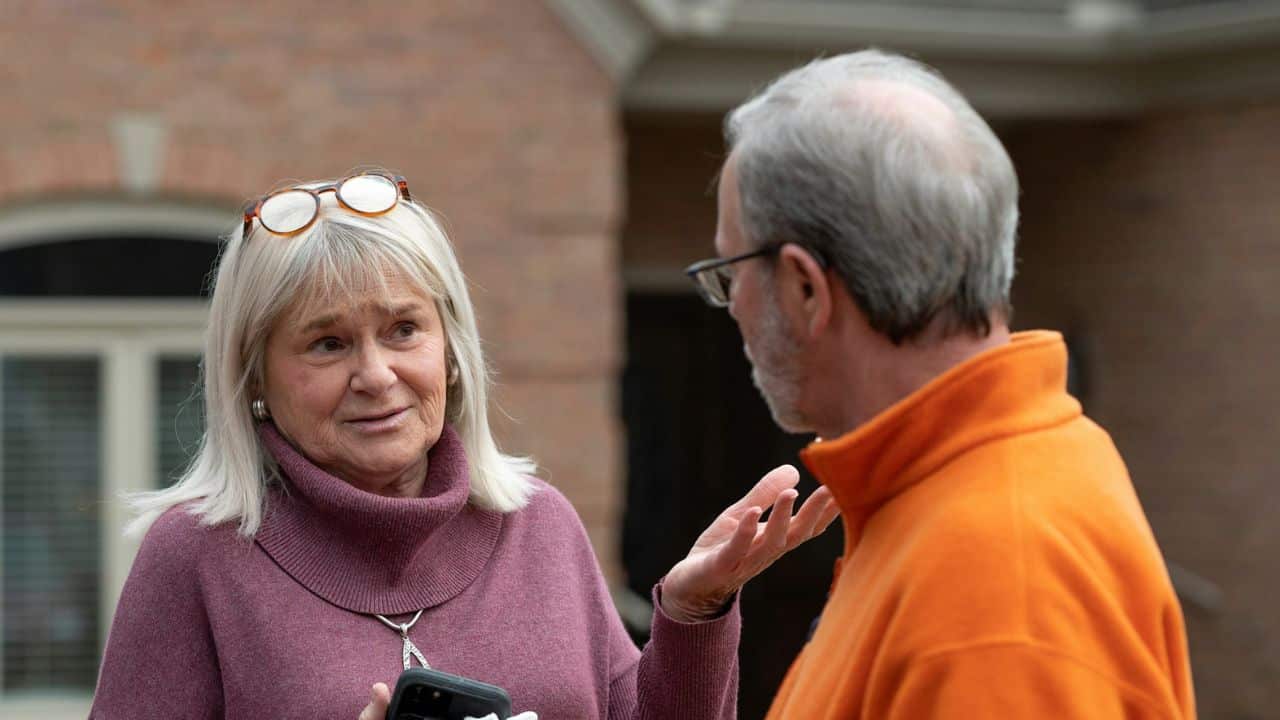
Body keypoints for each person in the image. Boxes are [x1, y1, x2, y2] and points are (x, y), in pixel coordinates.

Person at [90, 171, 839, 719]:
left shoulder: (539, 525)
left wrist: (694, 610)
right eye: (326, 344)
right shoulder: (196, 556)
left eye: (403, 330)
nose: (375, 375)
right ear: (255, 375)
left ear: (450, 348)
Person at [685, 49, 1196, 718]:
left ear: (806, 288)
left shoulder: (995, 590)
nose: (734, 309)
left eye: (732, 275)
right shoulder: (971, 484)